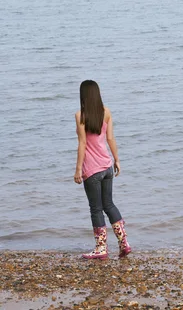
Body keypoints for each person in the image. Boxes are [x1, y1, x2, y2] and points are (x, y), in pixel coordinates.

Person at [74, 80, 131, 260]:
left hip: (91, 170)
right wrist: (117, 160)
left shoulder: (80, 115)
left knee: (96, 209)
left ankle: (101, 248)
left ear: (83, 95)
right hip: (107, 167)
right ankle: (124, 244)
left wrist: (77, 170)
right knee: (109, 204)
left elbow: (82, 143)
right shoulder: (106, 112)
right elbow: (110, 138)